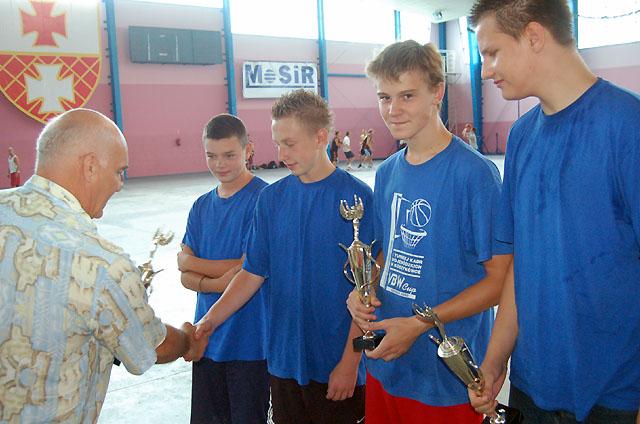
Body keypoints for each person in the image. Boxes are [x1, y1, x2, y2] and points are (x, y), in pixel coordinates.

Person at [468, 1, 640, 423]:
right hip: (532, 388)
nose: (486, 71)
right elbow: (519, 268)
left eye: (493, 52)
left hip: (614, 396)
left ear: (533, 36)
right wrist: (495, 360)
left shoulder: (627, 125)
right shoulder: (522, 136)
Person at [0, 108, 205, 423]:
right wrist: (188, 340)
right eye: (119, 171)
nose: (120, 184)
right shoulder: (99, 263)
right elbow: (152, 346)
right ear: (90, 166)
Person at [346, 40, 512, 423]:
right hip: (387, 365)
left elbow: (498, 282)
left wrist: (420, 324)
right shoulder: (387, 172)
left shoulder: (475, 175)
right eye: (384, 97)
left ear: (437, 92)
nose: (393, 109)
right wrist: (361, 290)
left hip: (445, 377)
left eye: (407, 95)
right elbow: (387, 255)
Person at [192, 90, 375, 423]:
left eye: (290, 143)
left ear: (321, 137)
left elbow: (367, 293)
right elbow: (251, 274)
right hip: (283, 363)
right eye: (277, 143)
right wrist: (209, 322)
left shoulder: (358, 200)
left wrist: (350, 364)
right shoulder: (271, 200)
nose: (282, 153)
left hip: (336, 365)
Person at [177, 113, 269, 424]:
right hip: (206, 338)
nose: (220, 164)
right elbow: (183, 275)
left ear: (248, 149)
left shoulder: (264, 200)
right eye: (211, 156)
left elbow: (250, 268)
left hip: (250, 344)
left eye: (229, 155)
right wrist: (217, 279)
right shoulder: (201, 206)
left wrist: (194, 267)